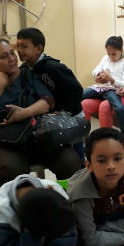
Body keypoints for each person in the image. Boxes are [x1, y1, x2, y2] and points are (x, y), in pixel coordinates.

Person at [0, 38, 81, 185]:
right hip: (6, 141)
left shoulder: (26, 74)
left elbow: (47, 101)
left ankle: (67, 203)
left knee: (70, 161)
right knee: (13, 171)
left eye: (12, 53)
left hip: (38, 136)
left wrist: (25, 113)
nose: (12, 59)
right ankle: (22, 205)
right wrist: (0, 83)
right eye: (3, 56)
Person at [16, 27, 86, 165]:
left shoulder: (52, 67)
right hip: (52, 120)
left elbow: (77, 89)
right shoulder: (24, 69)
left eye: (24, 46)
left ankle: (81, 178)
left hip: (72, 117)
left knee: (77, 156)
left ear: (38, 49)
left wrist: (66, 112)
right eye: (18, 46)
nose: (19, 50)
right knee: (63, 153)